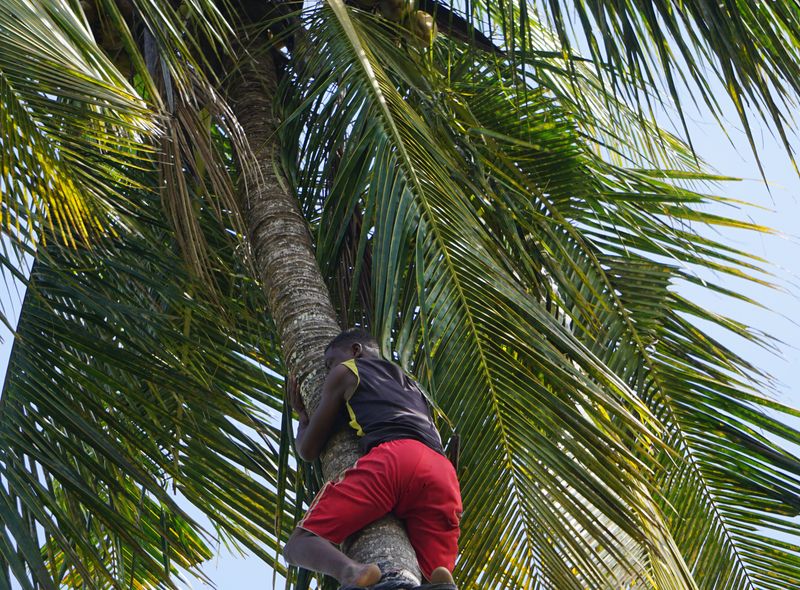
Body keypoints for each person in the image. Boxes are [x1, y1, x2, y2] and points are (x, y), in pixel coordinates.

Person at [282, 328, 462, 589]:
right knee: (429, 574)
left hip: (398, 459)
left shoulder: (347, 371)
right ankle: (440, 583)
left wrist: (302, 416)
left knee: (298, 544)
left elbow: (308, 449)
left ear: (355, 351)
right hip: (442, 473)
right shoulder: (412, 387)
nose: (329, 370)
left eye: (330, 363)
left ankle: (352, 573)